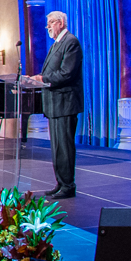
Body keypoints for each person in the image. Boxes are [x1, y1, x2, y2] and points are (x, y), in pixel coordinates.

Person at [23, 10, 83, 200]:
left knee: (64, 147)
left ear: (61, 23)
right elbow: (53, 72)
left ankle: (68, 186)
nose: (47, 26)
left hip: (65, 103)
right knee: (57, 148)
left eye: (51, 22)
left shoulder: (71, 42)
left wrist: (42, 79)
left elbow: (67, 74)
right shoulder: (57, 44)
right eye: (48, 22)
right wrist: (35, 79)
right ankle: (61, 183)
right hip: (55, 104)